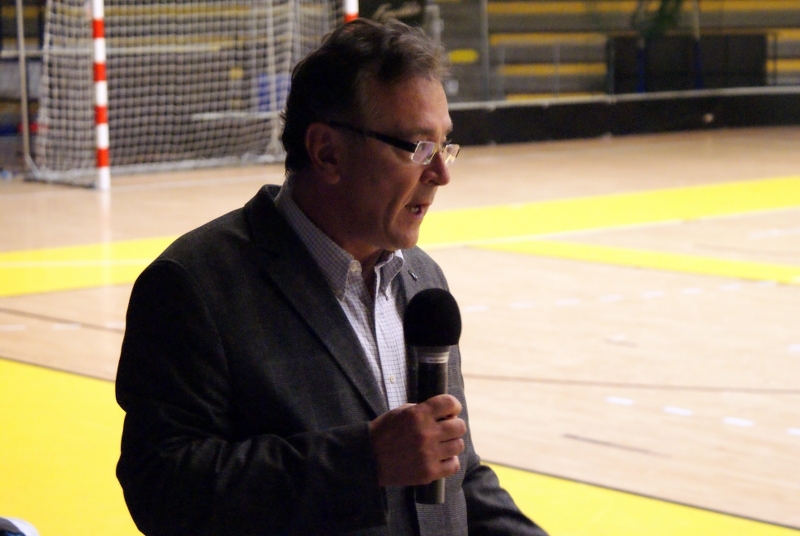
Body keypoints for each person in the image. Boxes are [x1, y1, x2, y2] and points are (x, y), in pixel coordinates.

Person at [116, 18, 547, 536]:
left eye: (445, 146)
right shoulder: (195, 285)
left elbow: (455, 476)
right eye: (418, 147)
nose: (441, 174)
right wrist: (363, 461)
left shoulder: (423, 280)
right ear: (326, 152)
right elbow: (162, 489)